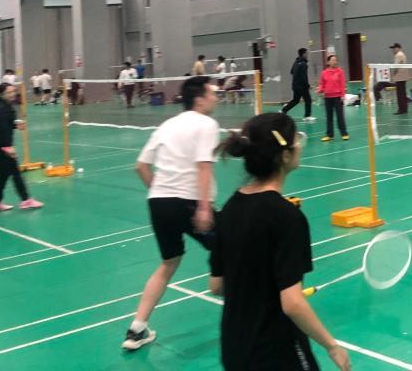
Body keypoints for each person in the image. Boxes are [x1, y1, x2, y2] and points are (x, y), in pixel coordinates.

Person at [209, 113, 351, 371]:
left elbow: (216, 285)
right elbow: (292, 302)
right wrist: (332, 346)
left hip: (234, 348)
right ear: (284, 156)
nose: (299, 145)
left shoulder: (229, 208)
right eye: (296, 139)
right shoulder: (287, 217)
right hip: (276, 352)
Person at [123, 76, 220, 351]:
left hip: (158, 203)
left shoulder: (167, 125)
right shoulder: (207, 124)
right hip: (189, 203)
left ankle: (137, 329)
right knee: (232, 246)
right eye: (212, 93)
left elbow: (140, 167)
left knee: (169, 263)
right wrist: (203, 207)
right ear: (199, 99)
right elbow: (204, 166)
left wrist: (162, 193)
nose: (216, 97)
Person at [0, 83, 44, 211]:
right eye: (9, 92)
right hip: (2, 147)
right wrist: (8, 147)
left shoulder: (5, 105)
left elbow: (7, 124)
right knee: (15, 172)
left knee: (3, 175)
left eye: (13, 91)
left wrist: (16, 125)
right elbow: (3, 129)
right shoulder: (2, 109)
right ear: (2, 94)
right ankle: (26, 200)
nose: (12, 94)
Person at [317, 54, 348, 142]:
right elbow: (322, 84)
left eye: (335, 60)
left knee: (340, 116)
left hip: (338, 97)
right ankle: (329, 135)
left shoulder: (340, 71)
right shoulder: (324, 73)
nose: (334, 62)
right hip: (328, 97)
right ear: (328, 62)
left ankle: (344, 133)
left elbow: (342, 84)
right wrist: (319, 90)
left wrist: (343, 95)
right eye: (332, 60)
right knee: (329, 117)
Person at [281, 48, 315, 123]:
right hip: (302, 86)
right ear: (304, 54)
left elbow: (292, 72)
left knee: (296, 100)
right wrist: (308, 86)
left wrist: (297, 78)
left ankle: (284, 110)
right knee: (308, 100)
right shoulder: (303, 63)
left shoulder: (296, 62)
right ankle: (307, 116)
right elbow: (304, 77)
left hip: (295, 85)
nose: (307, 54)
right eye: (307, 53)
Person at [390, 43, 408, 114]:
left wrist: (393, 75)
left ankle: (401, 109)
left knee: (400, 94)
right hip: (403, 76)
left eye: (394, 48)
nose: (393, 50)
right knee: (403, 93)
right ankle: (404, 109)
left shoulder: (398, 55)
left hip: (399, 77)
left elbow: (396, 67)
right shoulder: (403, 54)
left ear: (398, 48)